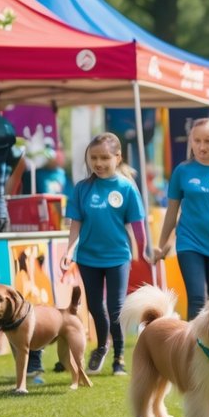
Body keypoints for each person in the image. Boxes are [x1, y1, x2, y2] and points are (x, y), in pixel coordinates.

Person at [59, 133, 146, 376]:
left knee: (115, 305)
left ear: (117, 158)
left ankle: (119, 357)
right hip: (88, 257)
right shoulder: (82, 189)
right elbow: (75, 223)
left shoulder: (127, 188)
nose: (98, 163)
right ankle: (102, 346)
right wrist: (69, 251)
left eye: (104, 157)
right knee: (96, 306)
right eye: (93, 157)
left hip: (118, 256)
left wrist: (144, 248)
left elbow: (137, 224)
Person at [152, 117, 209, 320]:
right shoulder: (182, 171)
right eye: (196, 141)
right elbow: (171, 212)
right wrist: (161, 245)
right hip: (189, 242)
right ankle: (192, 348)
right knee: (196, 297)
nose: (201, 146)